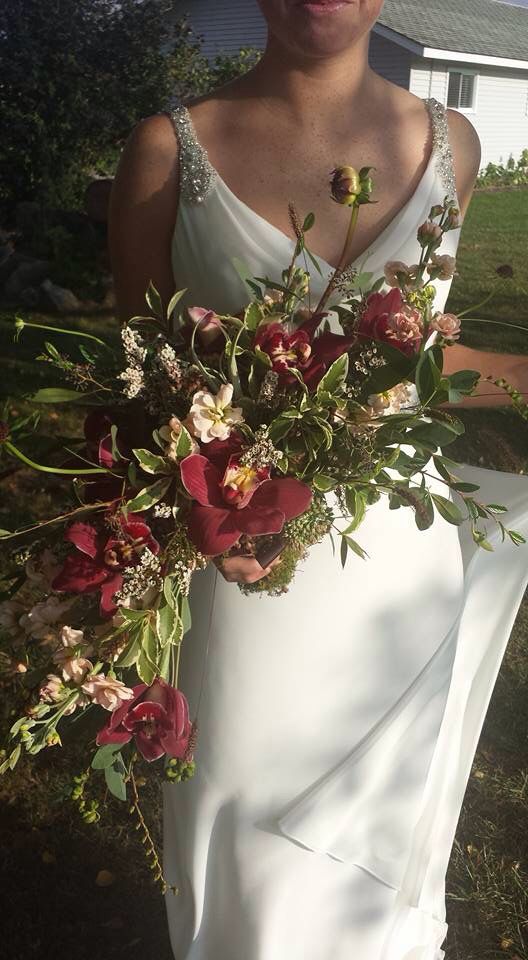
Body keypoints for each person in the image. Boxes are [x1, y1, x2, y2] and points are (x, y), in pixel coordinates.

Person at [108, 2, 528, 957]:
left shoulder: (450, 144)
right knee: (246, 836)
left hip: (398, 559)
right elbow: (139, 383)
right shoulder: (171, 150)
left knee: (372, 847)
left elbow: (418, 367)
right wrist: (193, 511)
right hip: (246, 565)